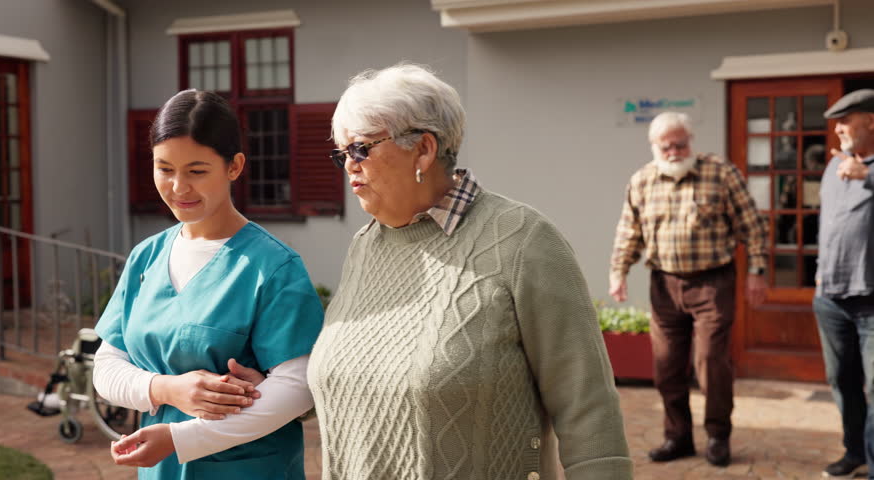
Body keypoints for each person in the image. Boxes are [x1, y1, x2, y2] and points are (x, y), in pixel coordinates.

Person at [304, 63, 632, 480]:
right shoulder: (365, 247)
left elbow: (588, 407)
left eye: (361, 149)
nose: (349, 165)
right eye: (342, 153)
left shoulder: (524, 241)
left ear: (423, 149)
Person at [93, 89, 324, 480]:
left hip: (248, 468)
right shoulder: (145, 258)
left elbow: (297, 385)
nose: (179, 188)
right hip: (161, 467)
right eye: (164, 169)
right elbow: (106, 366)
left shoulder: (273, 266)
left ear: (234, 166)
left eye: (197, 171)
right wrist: (167, 389)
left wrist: (184, 438)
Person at [609, 111, 768, 467]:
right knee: (666, 366)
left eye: (681, 144)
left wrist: (757, 271)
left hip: (712, 282)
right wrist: (618, 273)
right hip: (664, 285)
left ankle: (717, 436)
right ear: (654, 147)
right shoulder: (642, 181)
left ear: (690, 141)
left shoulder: (720, 173)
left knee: (711, 361)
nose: (674, 151)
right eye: (666, 146)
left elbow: (753, 227)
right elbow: (628, 233)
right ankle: (677, 436)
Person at [813, 88, 874, 479]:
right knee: (843, 382)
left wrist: (869, 175)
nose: (837, 129)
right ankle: (855, 451)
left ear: (871, 120)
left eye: (845, 120)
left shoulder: (863, 168)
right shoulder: (832, 167)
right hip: (831, 297)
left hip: (872, 300)